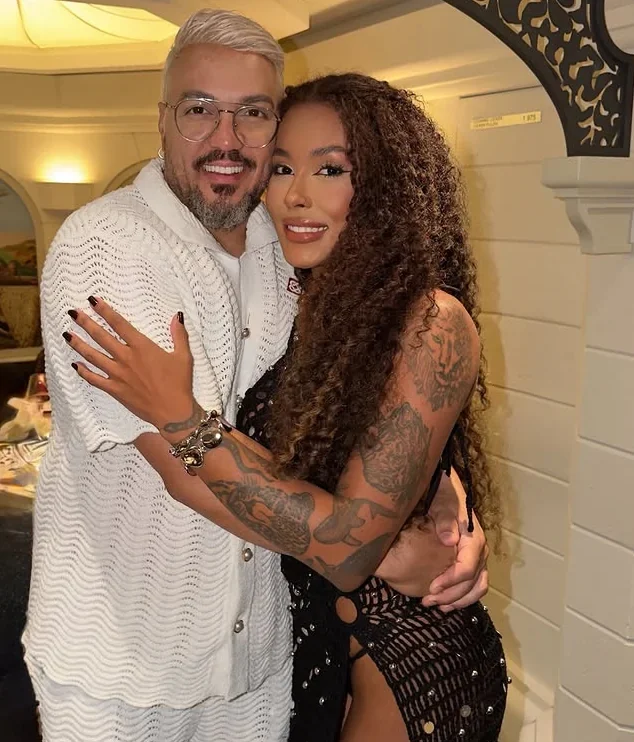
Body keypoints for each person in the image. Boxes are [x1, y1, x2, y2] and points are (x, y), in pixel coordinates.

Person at [27, 9, 490, 742]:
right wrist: (390, 546)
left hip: (269, 665)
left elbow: (360, 407)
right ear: (162, 119)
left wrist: (440, 493)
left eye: (252, 113)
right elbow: (186, 475)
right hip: (129, 674)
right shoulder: (106, 247)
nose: (227, 137)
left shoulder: (291, 250)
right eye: (199, 109)